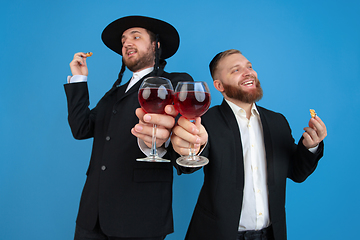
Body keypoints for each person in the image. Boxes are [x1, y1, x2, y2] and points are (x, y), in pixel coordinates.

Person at [133, 49, 327, 240]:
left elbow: (297, 173)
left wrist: (311, 146)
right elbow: (184, 163)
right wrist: (190, 146)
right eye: (236, 70)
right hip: (217, 234)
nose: (248, 72)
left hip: (272, 234)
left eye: (249, 66)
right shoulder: (205, 119)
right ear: (219, 85)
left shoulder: (278, 121)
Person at [64, 15, 193, 240]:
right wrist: (78, 79)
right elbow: (81, 128)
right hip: (91, 217)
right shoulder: (112, 95)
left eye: (136, 36)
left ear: (156, 45)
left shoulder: (174, 83)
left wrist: (175, 146)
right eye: (123, 41)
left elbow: (184, 144)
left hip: (139, 219)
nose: (127, 44)